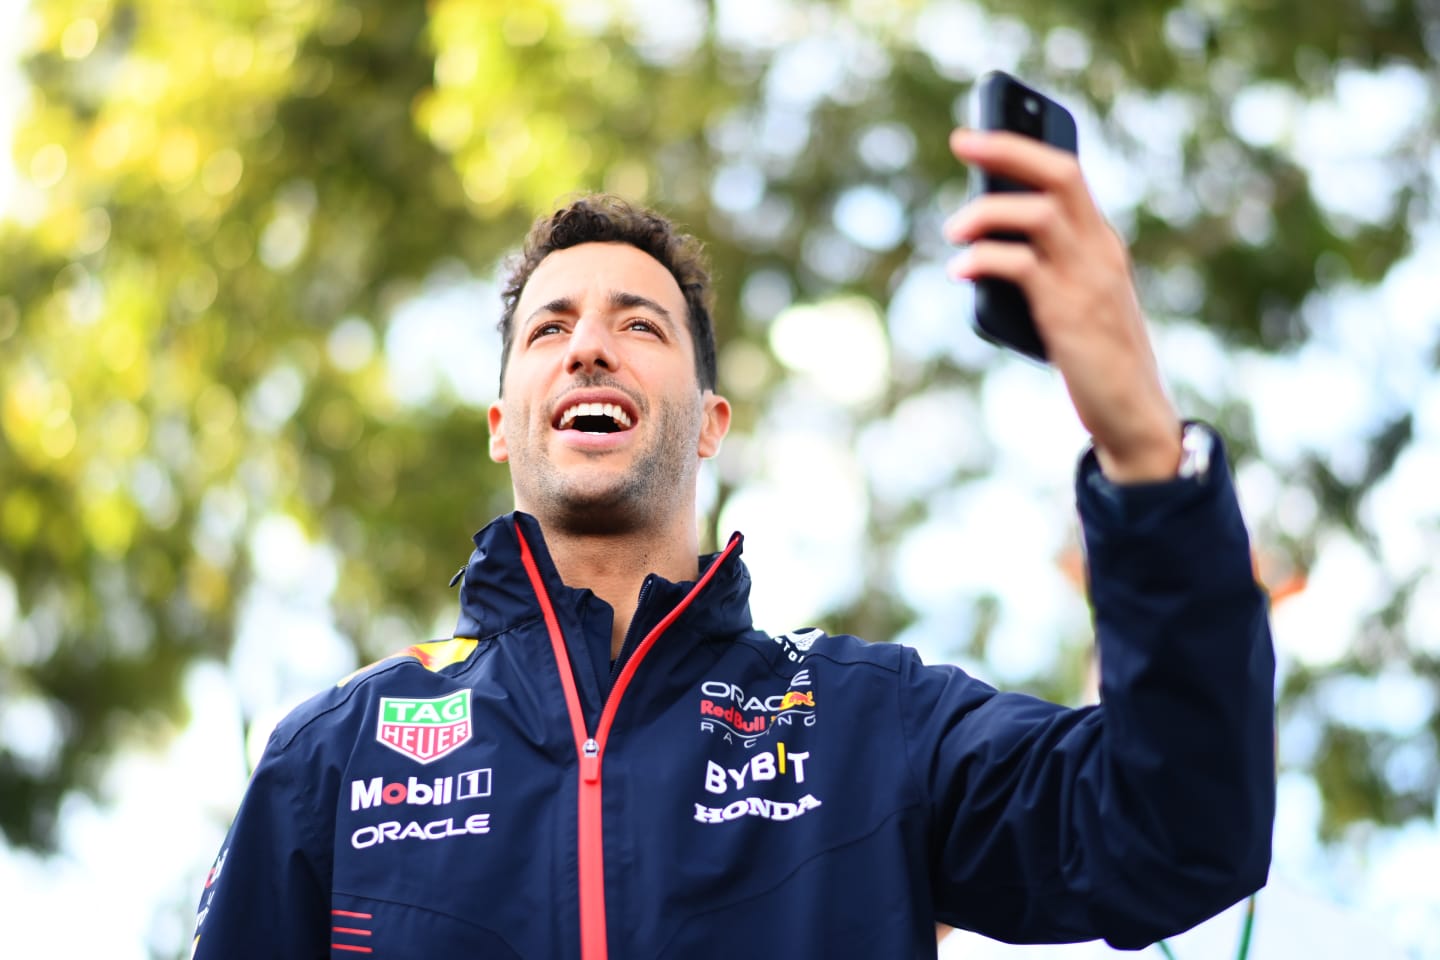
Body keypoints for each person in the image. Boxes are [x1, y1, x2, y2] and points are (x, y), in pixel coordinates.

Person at [190, 127, 1275, 959]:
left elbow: (1177, 831)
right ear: (502, 422)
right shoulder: (334, 755)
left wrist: (1138, 434)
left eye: (640, 324)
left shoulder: (870, 721)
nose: (589, 350)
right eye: (550, 328)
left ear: (710, 422)